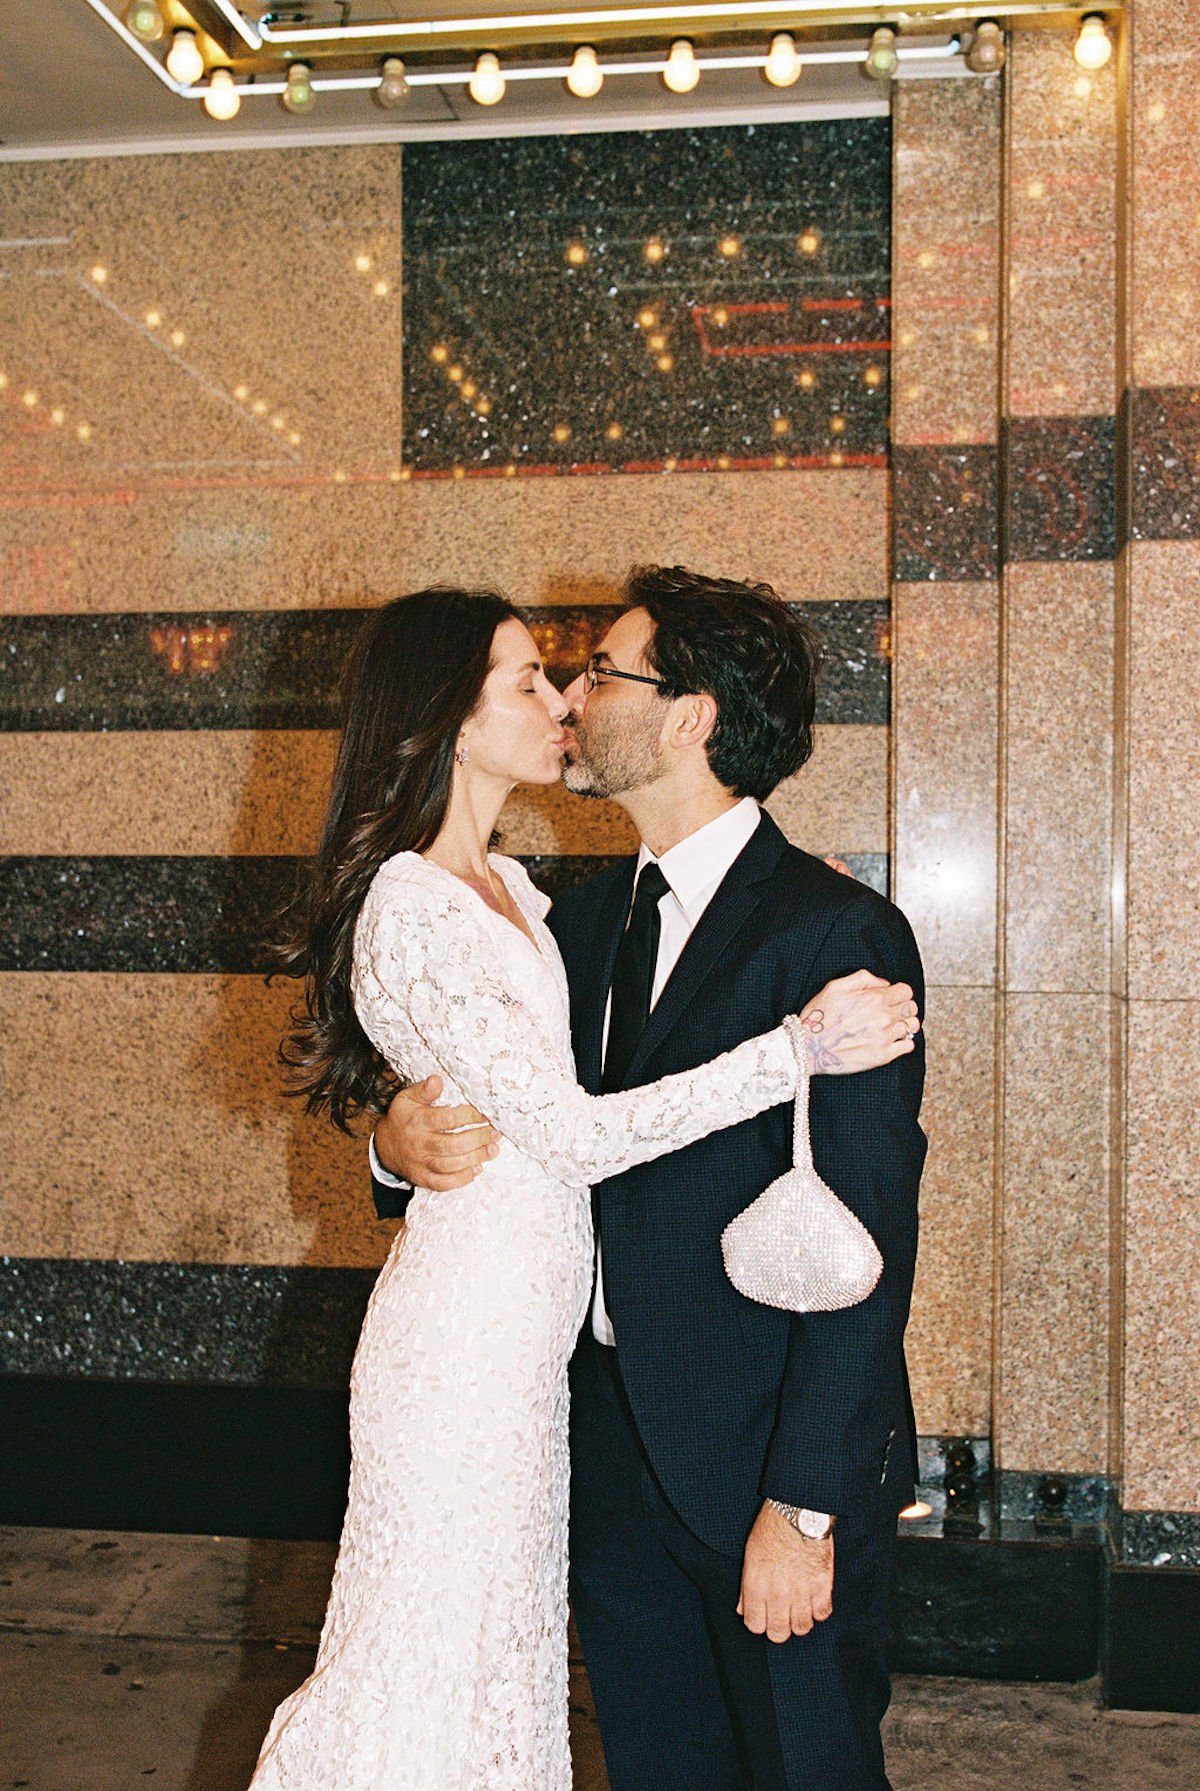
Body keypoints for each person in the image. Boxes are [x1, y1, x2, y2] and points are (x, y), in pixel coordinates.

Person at [249, 582, 919, 1791]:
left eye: (602, 672)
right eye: (543, 678)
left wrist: (805, 1506)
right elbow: (516, 1105)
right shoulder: (583, 916)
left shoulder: (830, 934)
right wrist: (392, 1142)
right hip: (594, 1444)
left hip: (757, 1463)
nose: (571, 695)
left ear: (687, 719)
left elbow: (869, 1253)